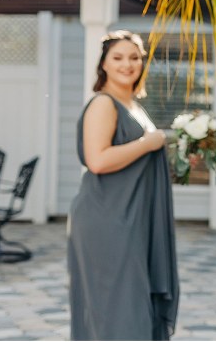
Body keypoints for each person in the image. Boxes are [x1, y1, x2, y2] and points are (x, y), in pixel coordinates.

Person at [67, 30, 179, 341]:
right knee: (117, 308)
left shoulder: (132, 105)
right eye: (117, 57)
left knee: (131, 304)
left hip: (133, 218)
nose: (127, 64)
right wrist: (149, 143)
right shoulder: (104, 104)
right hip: (108, 220)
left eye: (134, 58)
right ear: (103, 63)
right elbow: (98, 160)